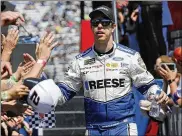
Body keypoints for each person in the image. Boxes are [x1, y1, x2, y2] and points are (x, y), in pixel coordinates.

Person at [27, 6, 170, 136]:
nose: (100, 26)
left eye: (105, 22)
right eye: (95, 23)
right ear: (91, 27)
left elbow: (147, 85)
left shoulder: (130, 56)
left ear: (113, 27)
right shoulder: (80, 60)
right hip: (94, 129)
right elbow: (64, 92)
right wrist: (44, 94)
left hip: (123, 127)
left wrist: (158, 95)